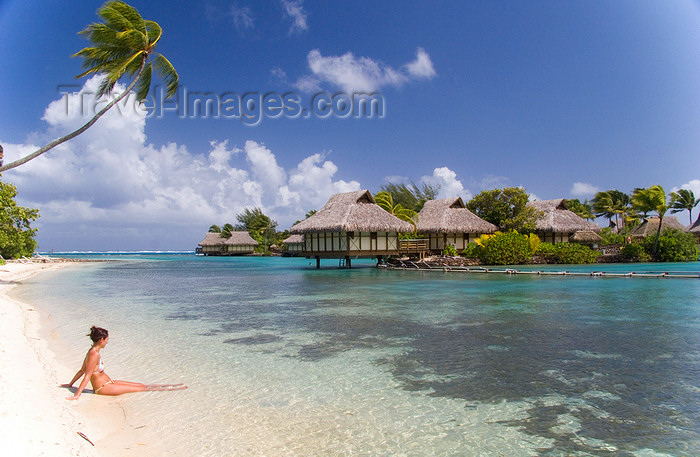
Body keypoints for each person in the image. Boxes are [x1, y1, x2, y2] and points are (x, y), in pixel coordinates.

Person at [64, 326, 186, 400]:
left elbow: (81, 370)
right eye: (107, 339)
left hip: (109, 383)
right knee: (142, 390)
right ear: (101, 340)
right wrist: (77, 395)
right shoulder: (94, 354)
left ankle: (172, 386)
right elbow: (87, 375)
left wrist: (70, 385)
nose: (107, 342)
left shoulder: (94, 351)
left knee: (141, 385)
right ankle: (173, 389)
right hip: (103, 388)